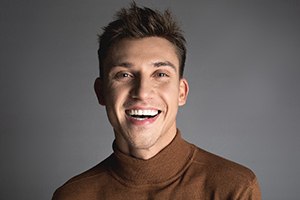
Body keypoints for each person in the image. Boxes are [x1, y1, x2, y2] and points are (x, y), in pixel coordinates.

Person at [52, 3, 261, 199]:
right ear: (101, 93)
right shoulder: (73, 195)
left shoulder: (234, 188)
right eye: (124, 75)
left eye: (160, 74)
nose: (142, 93)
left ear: (181, 92)